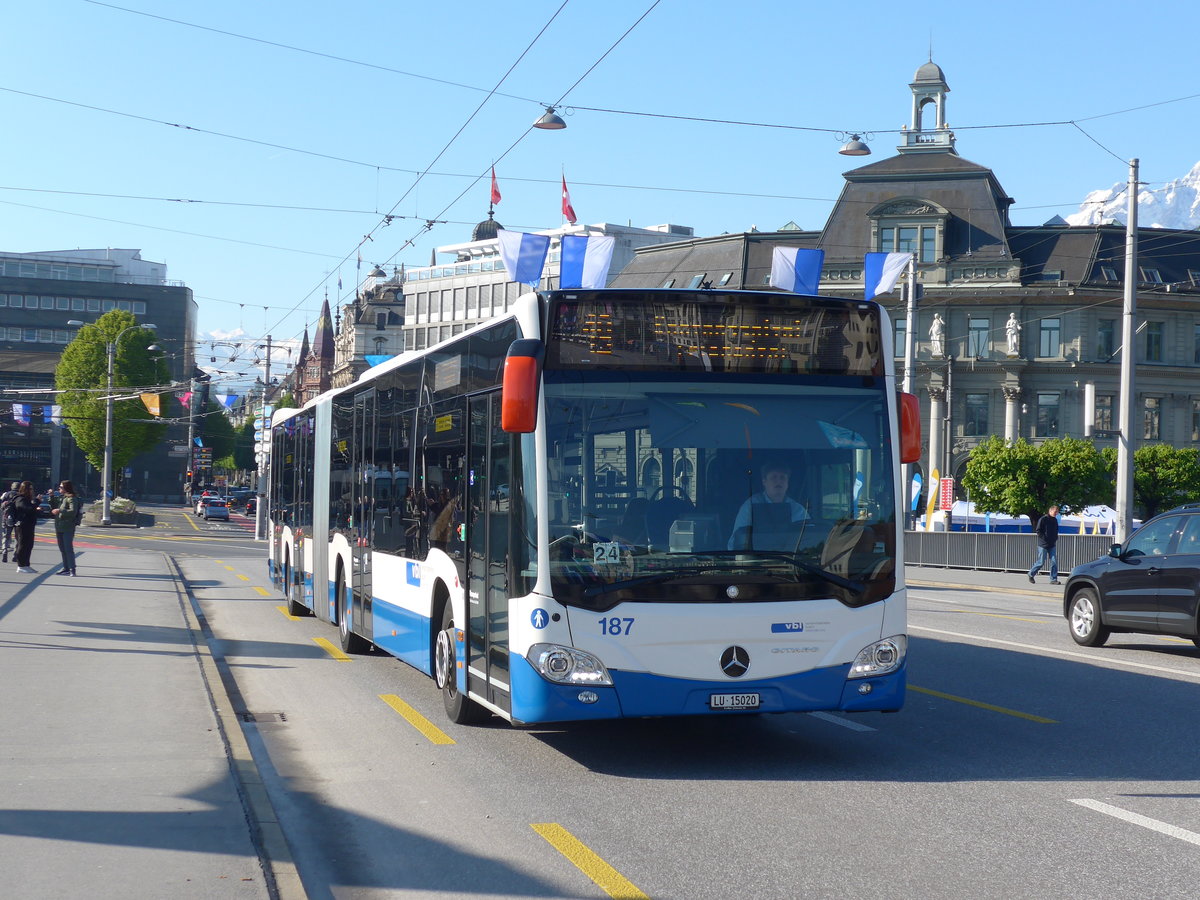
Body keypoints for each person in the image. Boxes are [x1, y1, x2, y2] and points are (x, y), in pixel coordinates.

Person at [728, 462, 809, 551]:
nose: (778, 481)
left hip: (792, 559)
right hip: (755, 559)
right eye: (774, 477)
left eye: (782, 477)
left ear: (787, 482)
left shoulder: (798, 510)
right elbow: (735, 543)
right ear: (764, 481)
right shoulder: (749, 507)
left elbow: (809, 540)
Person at [50, 479, 81, 576]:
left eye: (61, 487)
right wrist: (51, 496)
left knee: (68, 548)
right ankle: (66, 568)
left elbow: (73, 511)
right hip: (59, 526)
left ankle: (72, 569)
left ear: (66, 488)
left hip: (68, 526)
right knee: (62, 549)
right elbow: (54, 506)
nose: (59, 488)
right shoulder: (63, 497)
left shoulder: (71, 498)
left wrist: (60, 511)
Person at [11, 481, 41, 574]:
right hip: (22, 525)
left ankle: (26, 564)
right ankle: (21, 565)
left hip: (28, 525)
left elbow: (30, 509)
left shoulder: (27, 499)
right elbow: (27, 509)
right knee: (22, 545)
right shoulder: (20, 498)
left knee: (29, 545)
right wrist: (37, 501)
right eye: (30, 489)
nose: (32, 491)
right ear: (25, 489)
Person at [1029, 504, 1060, 585]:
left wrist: (1055, 538)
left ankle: (1053, 579)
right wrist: (1044, 539)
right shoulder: (1043, 519)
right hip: (1043, 544)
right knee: (1041, 562)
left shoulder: (1055, 520)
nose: (1056, 513)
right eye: (1055, 512)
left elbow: (1056, 530)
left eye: (1057, 512)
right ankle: (1031, 574)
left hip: (1052, 544)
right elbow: (1038, 530)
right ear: (1050, 511)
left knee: (1054, 562)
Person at [0, 481, 19, 564]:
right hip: (17, 518)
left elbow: (1, 504)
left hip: (6, 517)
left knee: (6, 535)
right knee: (17, 537)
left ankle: (4, 550)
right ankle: (15, 555)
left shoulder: (6, 494)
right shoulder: (20, 495)